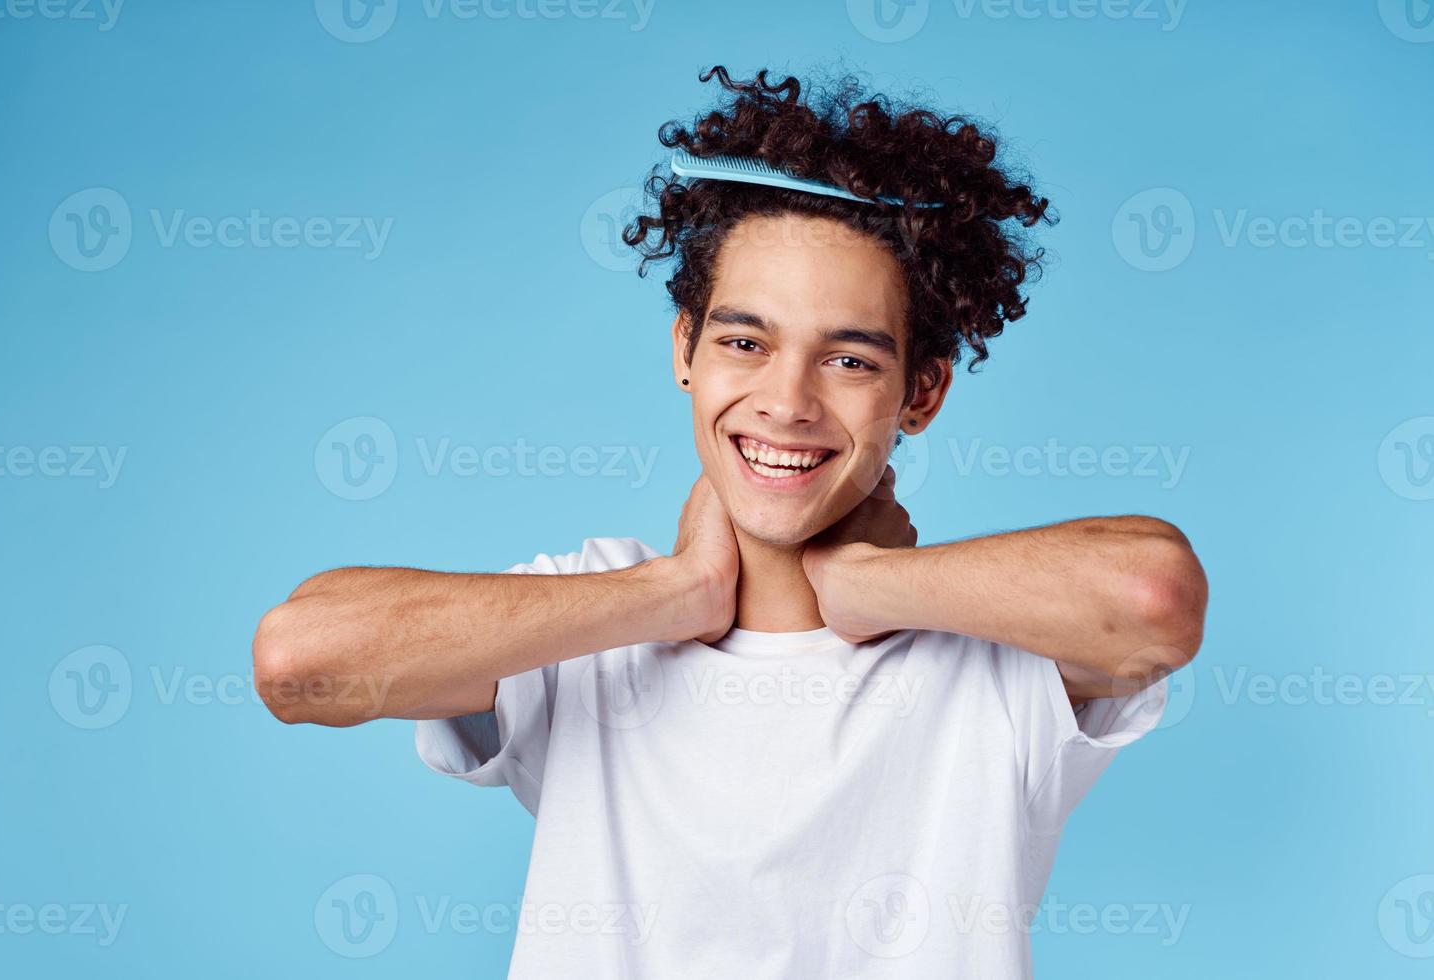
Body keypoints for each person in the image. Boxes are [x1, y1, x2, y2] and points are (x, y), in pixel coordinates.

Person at [252, 66, 1208, 978]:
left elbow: (1154, 597)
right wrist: (673, 593)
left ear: (921, 392)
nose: (785, 401)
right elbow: (300, 662)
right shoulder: (588, 615)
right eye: (744, 342)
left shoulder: (996, 659)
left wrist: (868, 584)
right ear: (685, 349)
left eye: (850, 361)